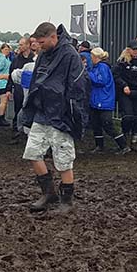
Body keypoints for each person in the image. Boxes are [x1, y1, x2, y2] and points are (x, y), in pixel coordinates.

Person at [20, 23, 88, 214]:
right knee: (32, 153)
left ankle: (67, 200)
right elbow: (35, 81)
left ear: (53, 37)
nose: (39, 46)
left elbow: (77, 86)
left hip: (61, 114)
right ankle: (49, 193)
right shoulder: (43, 54)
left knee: (63, 158)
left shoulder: (70, 55)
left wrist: (74, 116)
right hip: (42, 111)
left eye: (41, 42)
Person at [87, 48, 129, 154]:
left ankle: (123, 145)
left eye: (92, 57)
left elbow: (101, 81)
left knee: (107, 124)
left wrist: (87, 73)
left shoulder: (103, 67)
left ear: (96, 57)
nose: (90, 59)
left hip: (103, 100)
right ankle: (99, 146)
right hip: (98, 99)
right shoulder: (97, 67)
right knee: (96, 124)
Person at [114, 40, 137, 147]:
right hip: (126, 91)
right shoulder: (122, 62)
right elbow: (116, 75)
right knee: (128, 115)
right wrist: (124, 85)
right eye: (134, 49)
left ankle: (135, 138)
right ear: (128, 50)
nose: (136, 51)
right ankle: (125, 134)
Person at [8, 37, 35, 142]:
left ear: (28, 45)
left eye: (21, 45)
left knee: (29, 110)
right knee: (17, 110)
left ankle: (29, 134)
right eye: (19, 45)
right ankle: (17, 132)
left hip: (30, 90)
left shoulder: (34, 59)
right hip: (18, 89)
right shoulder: (16, 59)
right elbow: (11, 74)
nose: (19, 47)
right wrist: (8, 89)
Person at [0, 43, 12, 127]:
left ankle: (2, 117)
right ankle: (1, 118)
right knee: (4, 100)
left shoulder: (6, 58)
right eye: (5, 49)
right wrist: (3, 57)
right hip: (1, 82)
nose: (7, 51)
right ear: (1, 50)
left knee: (4, 101)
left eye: (8, 49)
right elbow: (0, 67)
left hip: (4, 82)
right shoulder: (1, 57)